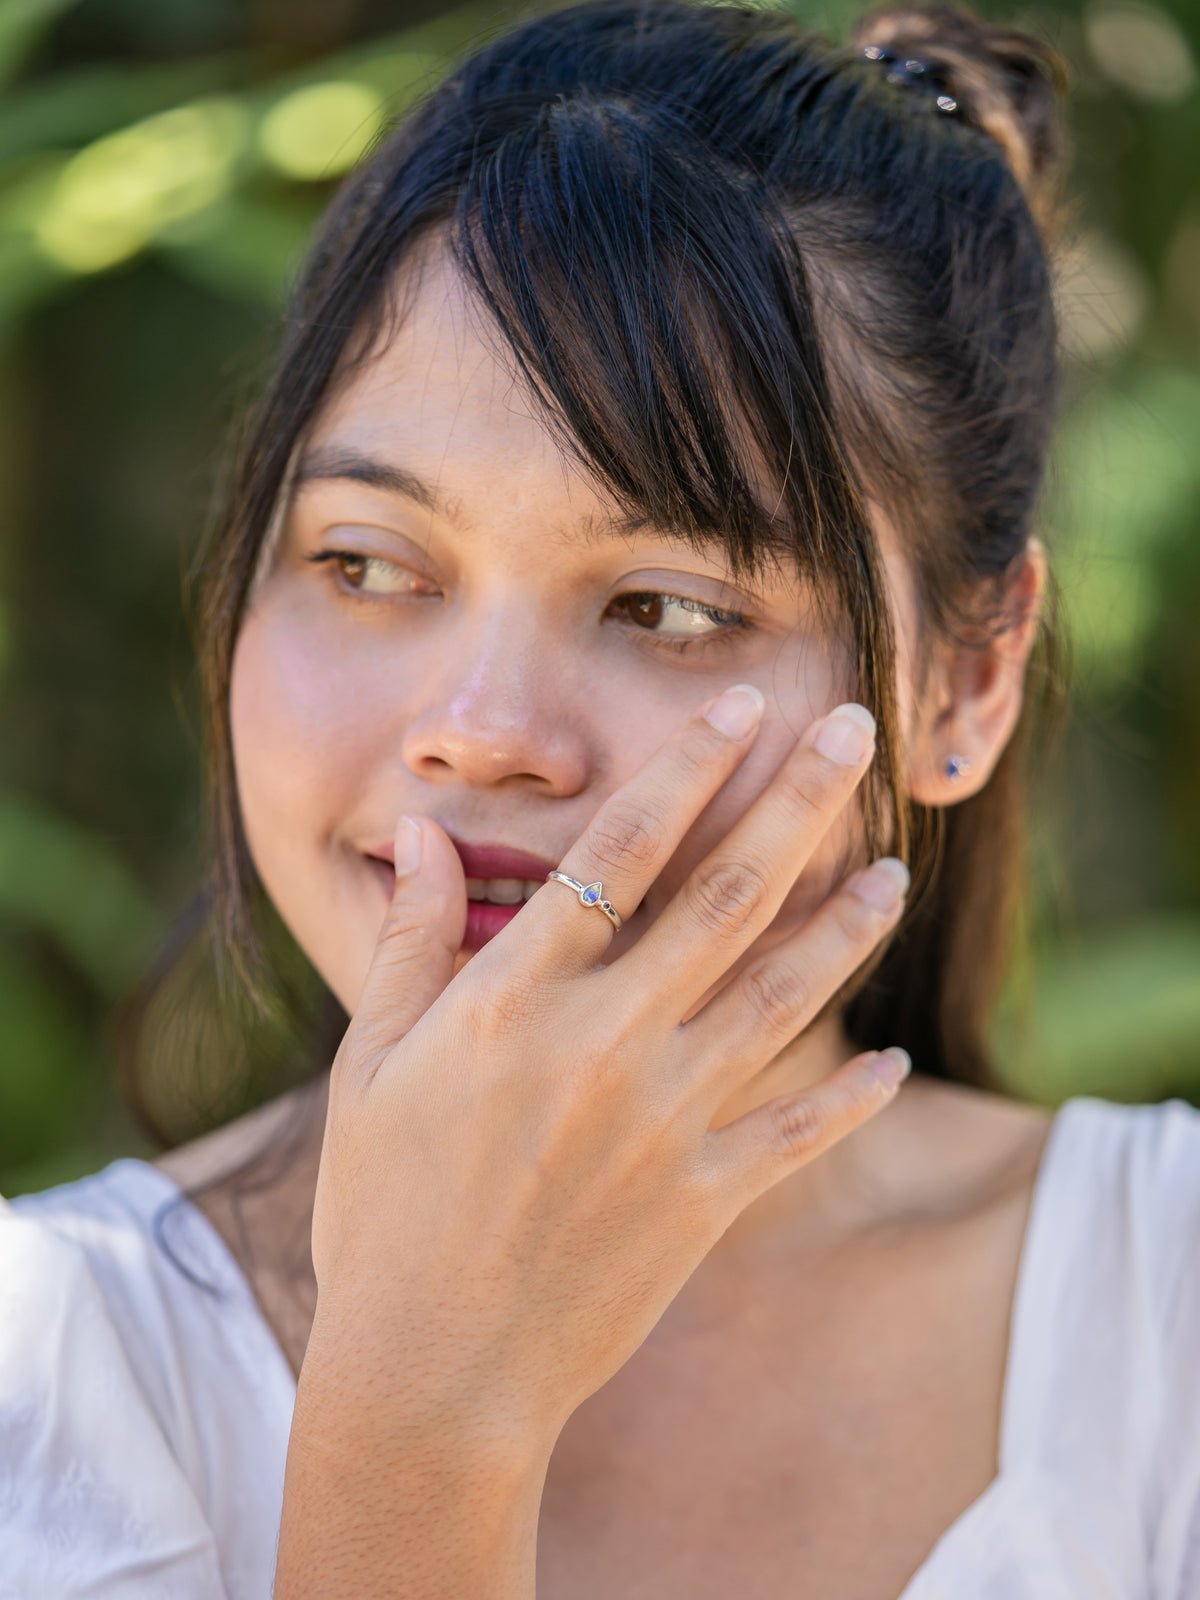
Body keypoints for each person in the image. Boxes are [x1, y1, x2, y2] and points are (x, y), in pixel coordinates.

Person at [4, 0, 1200, 1594]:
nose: (482, 733)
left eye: (668, 605)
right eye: (364, 564)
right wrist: (423, 1419)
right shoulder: (45, 1381)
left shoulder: (1163, 1311)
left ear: (964, 682)